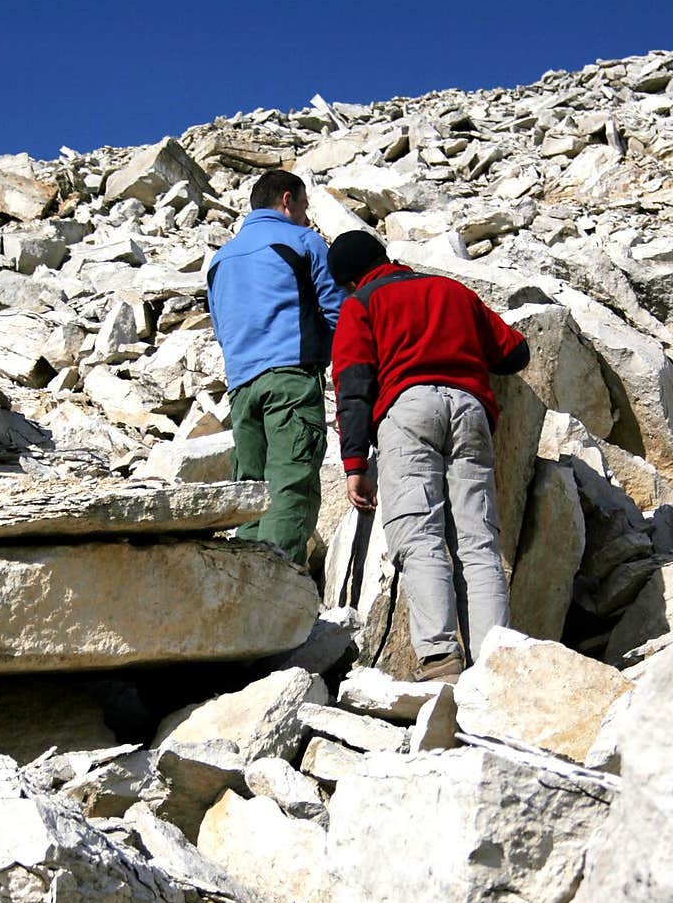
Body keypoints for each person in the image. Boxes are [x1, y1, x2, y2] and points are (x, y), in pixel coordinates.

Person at [328, 230, 530, 684]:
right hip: (470, 411)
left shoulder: (360, 305)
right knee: (478, 541)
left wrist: (355, 465)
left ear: (348, 280)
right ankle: (495, 664)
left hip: (408, 411)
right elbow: (515, 352)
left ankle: (440, 660)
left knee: (419, 536)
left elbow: (354, 384)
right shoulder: (453, 290)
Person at [206, 171, 345, 566]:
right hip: (291, 380)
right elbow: (336, 310)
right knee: (290, 488)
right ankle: (277, 594)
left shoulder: (220, 260)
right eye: (303, 207)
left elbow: (220, 328)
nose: (305, 216)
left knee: (250, 495)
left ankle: (245, 596)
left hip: (241, 388)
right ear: (287, 200)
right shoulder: (302, 241)